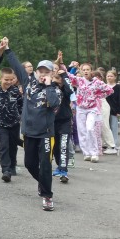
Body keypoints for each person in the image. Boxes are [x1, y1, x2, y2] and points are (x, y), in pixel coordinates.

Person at [5, 41, 62, 211]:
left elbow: (53, 104)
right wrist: (7, 49)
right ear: (36, 72)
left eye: (47, 72)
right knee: (29, 164)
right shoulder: (28, 83)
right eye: (40, 71)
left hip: (46, 134)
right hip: (29, 132)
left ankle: (47, 195)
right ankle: (43, 183)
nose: (43, 74)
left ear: (52, 73)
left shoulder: (55, 90)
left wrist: (49, 85)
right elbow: (17, 66)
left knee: (45, 165)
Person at [71, 64, 112, 163]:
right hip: (81, 108)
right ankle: (87, 153)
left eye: (87, 69)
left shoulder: (96, 82)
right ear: (81, 71)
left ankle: (94, 153)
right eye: (84, 70)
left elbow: (110, 90)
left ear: (91, 71)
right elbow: (67, 75)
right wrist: (63, 64)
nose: (86, 71)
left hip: (92, 108)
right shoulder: (79, 80)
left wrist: (98, 95)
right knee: (82, 131)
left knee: (90, 128)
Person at [0, 66, 23, 183]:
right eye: (6, 79)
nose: (9, 82)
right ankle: (6, 170)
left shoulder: (15, 91)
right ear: (1, 79)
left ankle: (12, 166)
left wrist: (20, 117)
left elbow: (21, 105)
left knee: (13, 146)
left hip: (14, 124)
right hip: (0, 124)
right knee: (3, 146)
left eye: (11, 79)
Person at [52, 52, 75, 183]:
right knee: (55, 147)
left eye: (58, 78)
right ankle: (59, 166)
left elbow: (70, 90)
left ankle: (64, 170)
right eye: (54, 78)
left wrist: (64, 75)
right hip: (52, 121)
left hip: (65, 121)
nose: (56, 80)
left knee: (63, 146)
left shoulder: (66, 89)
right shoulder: (50, 88)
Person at [103, 70, 120, 153]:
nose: (109, 77)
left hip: (114, 110)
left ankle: (115, 145)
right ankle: (107, 144)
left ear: (115, 77)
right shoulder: (103, 86)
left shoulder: (118, 87)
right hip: (104, 110)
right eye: (108, 76)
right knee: (106, 128)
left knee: (114, 128)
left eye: (111, 76)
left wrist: (119, 111)